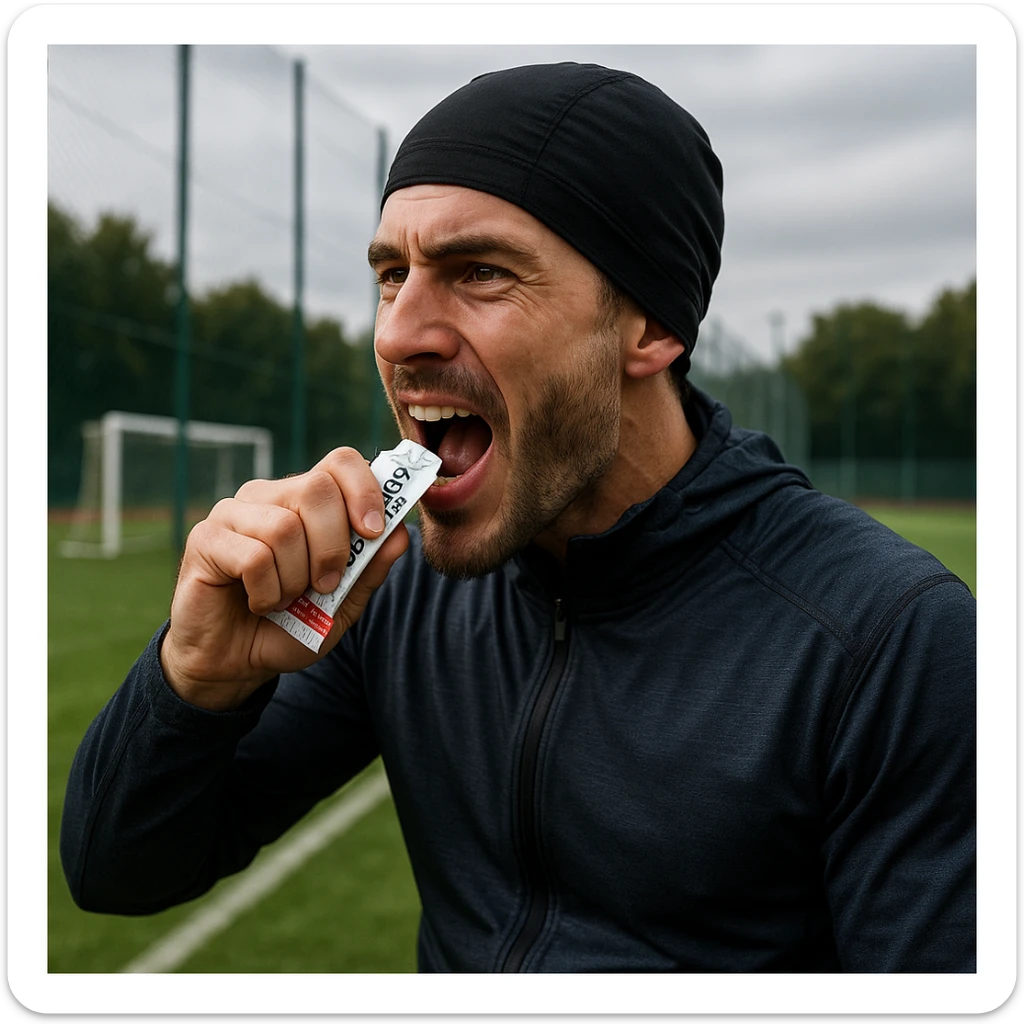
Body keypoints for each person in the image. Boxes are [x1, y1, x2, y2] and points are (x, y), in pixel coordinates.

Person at [60, 62, 976, 973]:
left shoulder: (888, 641)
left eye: (481, 272)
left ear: (651, 327)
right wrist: (193, 682)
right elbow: (121, 872)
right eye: (392, 273)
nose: (397, 331)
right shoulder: (392, 585)